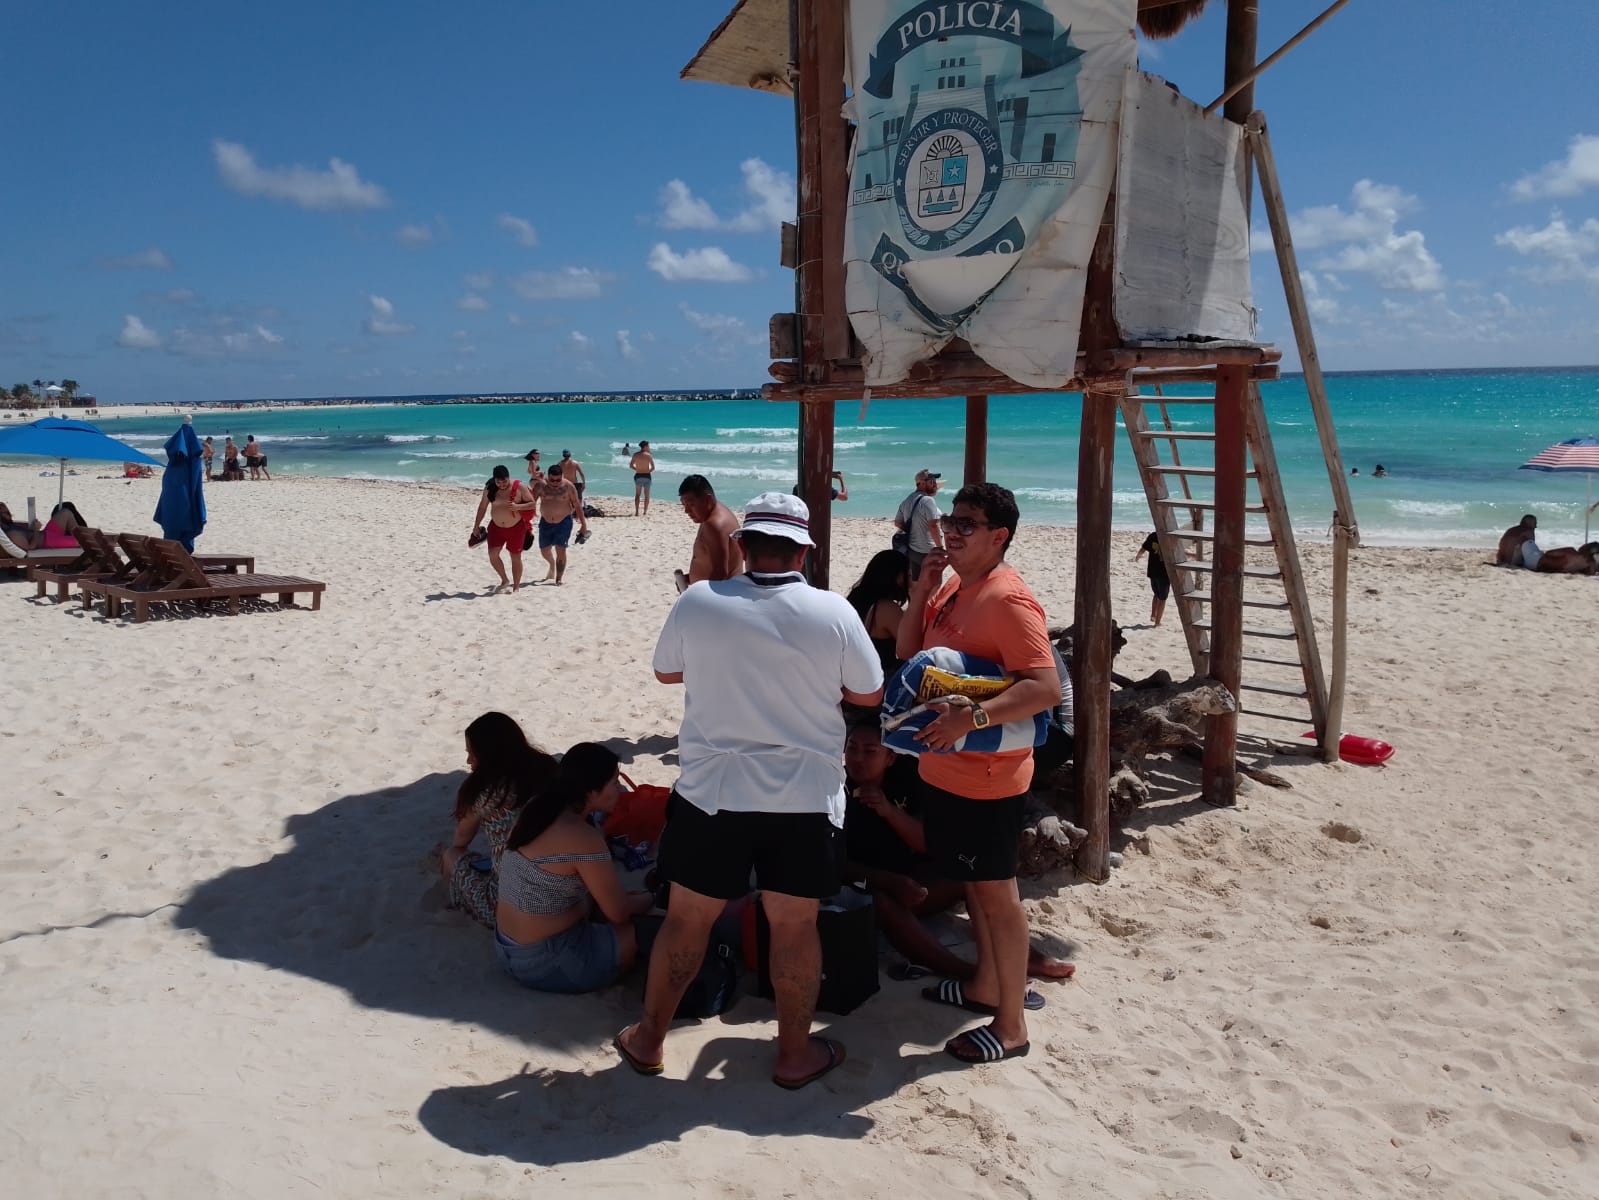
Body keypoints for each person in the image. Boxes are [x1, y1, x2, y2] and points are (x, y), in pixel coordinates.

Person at [617, 492, 884, 1086]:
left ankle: (648, 1039)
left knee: (686, 921)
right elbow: (867, 694)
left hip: (713, 793)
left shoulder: (699, 601)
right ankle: (793, 1055)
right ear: (804, 550)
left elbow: (666, 671)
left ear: (743, 544)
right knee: (795, 927)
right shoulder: (834, 612)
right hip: (805, 797)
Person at [894, 482, 1060, 1066]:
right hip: (947, 771)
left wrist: (976, 717)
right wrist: (921, 592)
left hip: (989, 776)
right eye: (950, 522)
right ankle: (986, 987)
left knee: (997, 897)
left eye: (968, 524)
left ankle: (1011, 1026)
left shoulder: (1008, 599)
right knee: (973, 889)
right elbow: (908, 654)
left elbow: (1046, 688)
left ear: (999, 537)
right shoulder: (954, 590)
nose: (953, 532)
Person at [842, 721, 1075, 985]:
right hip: (867, 889)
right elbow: (837, 865)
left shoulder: (905, 780)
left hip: (912, 879)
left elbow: (928, 843)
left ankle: (1027, 958)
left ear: (890, 757)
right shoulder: (836, 789)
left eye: (870, 751)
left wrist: (888, 811)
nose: (858, 758)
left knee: (974, 871)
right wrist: (889, 882)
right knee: (880, 901)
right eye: (852, 748)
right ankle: (962, 971)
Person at [493, 742, 656, 994]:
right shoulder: (582, 836)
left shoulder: (536, 809)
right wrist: (653, 896)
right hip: (546, 961)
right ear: (590, 792)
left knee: (613, 904)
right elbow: (619, 913)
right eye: (614, 783)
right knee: (648, 932)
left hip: (507, 949)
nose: (619, 789)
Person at [440, 712, 559, 927]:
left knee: (451, 855)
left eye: (472, 754)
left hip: (510, 909)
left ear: (487, 755)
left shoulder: (485, 790)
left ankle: (459, 902)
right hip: (563, 891)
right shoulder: (548, 768)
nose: (468, 761)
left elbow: (461, 839)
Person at [470, 465, 537, 593]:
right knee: (493, 555)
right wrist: (476, 526)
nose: (501, 485)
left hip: (516, 527)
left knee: (515, 557)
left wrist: (518, 507)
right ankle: (505, 580)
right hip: (496, 527)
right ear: (494, 480)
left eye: (504, 481)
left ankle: (516, 587)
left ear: (508, 477)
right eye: (498, 482)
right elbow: (482, 508)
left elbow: (532, 503)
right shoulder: (490, 488)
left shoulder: (520, 487)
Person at [846, 548, 909, 679]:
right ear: (898, 577)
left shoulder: (856, 595)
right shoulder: (887, 609)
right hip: (878, 679)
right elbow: (911, 649)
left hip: (852, 674)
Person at [675, 474, 741, 593]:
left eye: (691, 504)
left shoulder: (715, 525)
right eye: (684, 505)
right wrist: (690, 578)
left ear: (708, 500)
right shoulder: (713, 515)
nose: (686, 511)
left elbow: (721, 575)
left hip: (716, 598)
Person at [534, 463, 588, 585]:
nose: (555, 483)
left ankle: (558, 578)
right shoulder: (541, 486)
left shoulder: (568, 487)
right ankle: (552, 564)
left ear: (562, 476)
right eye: (552, 480)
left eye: (558, 480)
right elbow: (531, 501)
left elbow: (577, 505)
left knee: (561, 549)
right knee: (544, 550)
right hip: (545, 521)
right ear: (548, 476)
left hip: (564, 521)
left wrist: (583, 525)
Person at [894, 469, 944, 580]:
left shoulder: (907, 500)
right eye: (931, 481)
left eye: (935, 481)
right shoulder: (928, 501)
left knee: (916, 583)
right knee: (934, 583)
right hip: (928, 550)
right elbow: (933, 525)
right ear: (920, 483)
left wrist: (912, 529)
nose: (935, 483)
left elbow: (897, 522)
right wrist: (940, 547)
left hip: (912, 550)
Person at [1134, 532, 1170, 627]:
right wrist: (1191, 555)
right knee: (1162, 598)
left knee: (1157, 594)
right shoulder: (1168, 537)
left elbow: (1143, 548)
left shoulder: (1153, 535)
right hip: (1163, 573)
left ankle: (1153, 615)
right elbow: (1177, 551)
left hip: (1152, 571)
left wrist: (1138, 555)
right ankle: (1157, 622)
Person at [630, 441, 655, 516]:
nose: (649, 447)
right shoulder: (648, 455)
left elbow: (631, 466)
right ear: (645, 447)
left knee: (638, 494)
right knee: (646, 495)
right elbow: (653, 468)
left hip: (638, 475)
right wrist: (647, 471)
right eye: (648, 446)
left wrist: (637, 469)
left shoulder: (635, 455)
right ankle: (644, 512)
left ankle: (637, 512)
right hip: (647, 476)